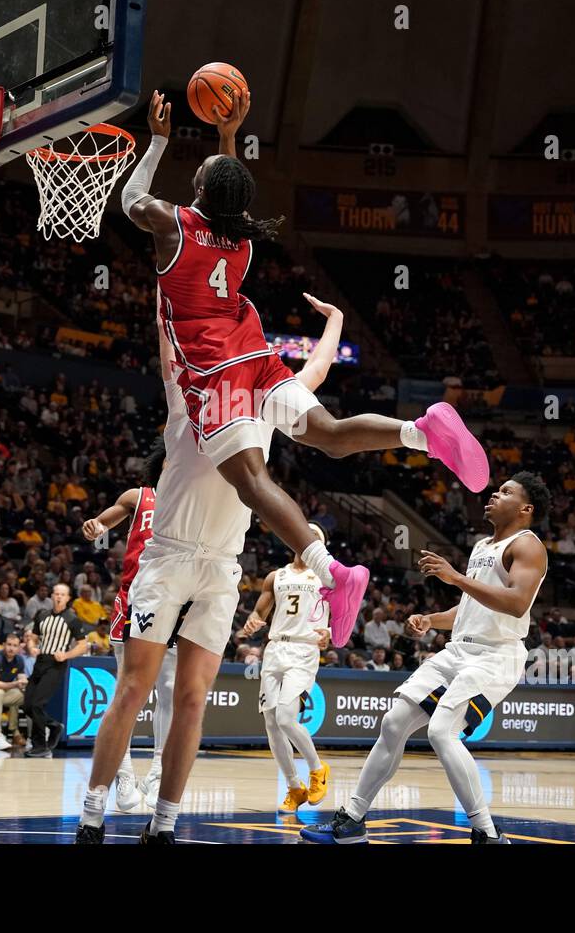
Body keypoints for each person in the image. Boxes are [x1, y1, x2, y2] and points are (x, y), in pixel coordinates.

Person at [120, 89, 491, 646]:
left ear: (198, 190)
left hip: (215, 369)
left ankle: (333, 573)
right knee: (330, 436)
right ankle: (421, 432)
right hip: (257, 352)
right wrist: (226, 137)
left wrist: (158, 141)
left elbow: (130, 197)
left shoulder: (173, 225)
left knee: (251, 481)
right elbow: (229, 191)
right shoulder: (240, 238)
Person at [75, 289, 349, 844]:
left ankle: (165, 821)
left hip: (222, 567)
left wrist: (337, 321)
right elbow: (165, 331)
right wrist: (170, 269)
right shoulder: (189, 388)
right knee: (133, 689)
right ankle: (92, 813)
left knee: (193, 699)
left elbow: (316, 371)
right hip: (168, 558)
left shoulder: (271, 401)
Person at [301, 473, 550, 845]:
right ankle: (352, 821)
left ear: (526, 509)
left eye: (505, 492)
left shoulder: (528, 546)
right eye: (497, 489)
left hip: (494, 657)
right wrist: (433, 620)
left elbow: (515, 604)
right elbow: (472, 605)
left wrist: (454, 577)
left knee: (441, 732)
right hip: (459, 651)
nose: (494, 495)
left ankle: (487, 831)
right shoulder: (483, 545)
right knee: (394, 722)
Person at [80, 442, 175, 811]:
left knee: (167, 687)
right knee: (126, 692)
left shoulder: (193, 503)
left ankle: (157, 772)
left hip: (173, 601)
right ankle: (123, 773)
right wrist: (95, 526)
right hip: (134, 599)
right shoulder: (139, 496)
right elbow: (103, 522)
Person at [238, 523, 333, 814]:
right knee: (271, 723)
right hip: (275, 648)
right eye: (305, 534)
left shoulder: (329, 577)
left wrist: (331, 633)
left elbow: (344, 612)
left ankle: (318, 770)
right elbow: (260, 611)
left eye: (316, 536)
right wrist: (254, 619)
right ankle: (294, 787)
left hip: (304, 649)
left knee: (287, 718)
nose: (308, 539)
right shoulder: (275, 577)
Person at [24, 605, 87, 755]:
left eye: (62, 594)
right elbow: (32, 638)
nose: (59, 597)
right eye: (56, 593)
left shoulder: (72, 619)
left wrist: (66, 655)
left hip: (56, 663)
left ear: (66, 598)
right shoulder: (42, 616)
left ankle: (40, 746)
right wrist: (31, 647)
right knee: (27, 706)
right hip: (40, 661)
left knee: (37, 704)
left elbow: (82, 646)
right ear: (53, 596)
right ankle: (54, 726)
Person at [0, 633, 27, 750]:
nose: (11, 648)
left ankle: (18, 733)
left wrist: (24, 684)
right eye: (9, 645)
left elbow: (22, 679)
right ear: (3, 645)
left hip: (3, 692)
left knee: (26, 695)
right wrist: (14, 684)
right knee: (0, 692)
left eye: (15, 646)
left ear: (18, 648)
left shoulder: (19, 660)